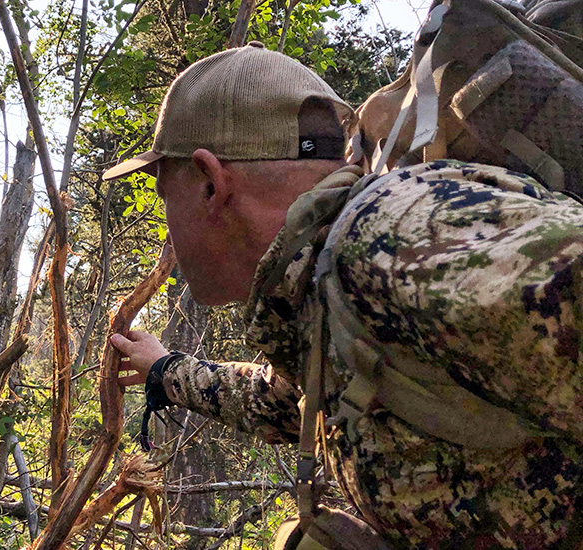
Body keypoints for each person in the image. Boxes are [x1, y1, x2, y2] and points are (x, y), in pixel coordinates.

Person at [104, 43, 583, 549]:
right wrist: (163, 369)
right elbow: (280, 401)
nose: (168, 227)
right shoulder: (324, 289)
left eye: (164, 195)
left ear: (209, 183)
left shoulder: (392, 239)